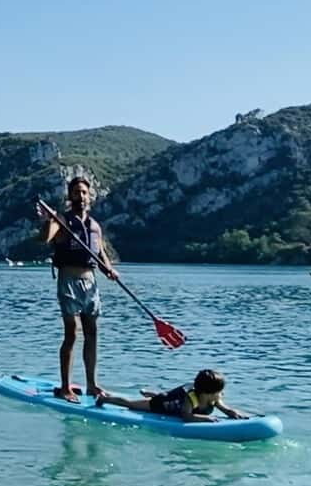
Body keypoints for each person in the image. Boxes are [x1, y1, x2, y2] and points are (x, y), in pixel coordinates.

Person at [37, 176, 119, 403]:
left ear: (89, 196)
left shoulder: (95, 226)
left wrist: (109, 270)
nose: (80, 197)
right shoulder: (61, 220)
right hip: (68, 281)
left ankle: (92, 385)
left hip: (91, 282)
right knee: (72, 333)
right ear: (70, 196)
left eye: (84, 192)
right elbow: (45, 238)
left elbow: (100, 253)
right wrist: (47, 220)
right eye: (76, 192)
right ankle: (65, 387)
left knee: (92, 333)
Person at [95, 369, 250, 422]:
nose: (221, 394)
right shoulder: (192, 398)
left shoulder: (214, 398)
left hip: (174, 398)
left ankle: (153, 393)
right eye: (218, 390)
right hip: (162, 404)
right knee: (131, 404)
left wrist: (234, 413)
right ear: (207, 392)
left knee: (168, 395)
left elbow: (225, 409)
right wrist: (205, 418)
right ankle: (105, 398)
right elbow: (186, 416)